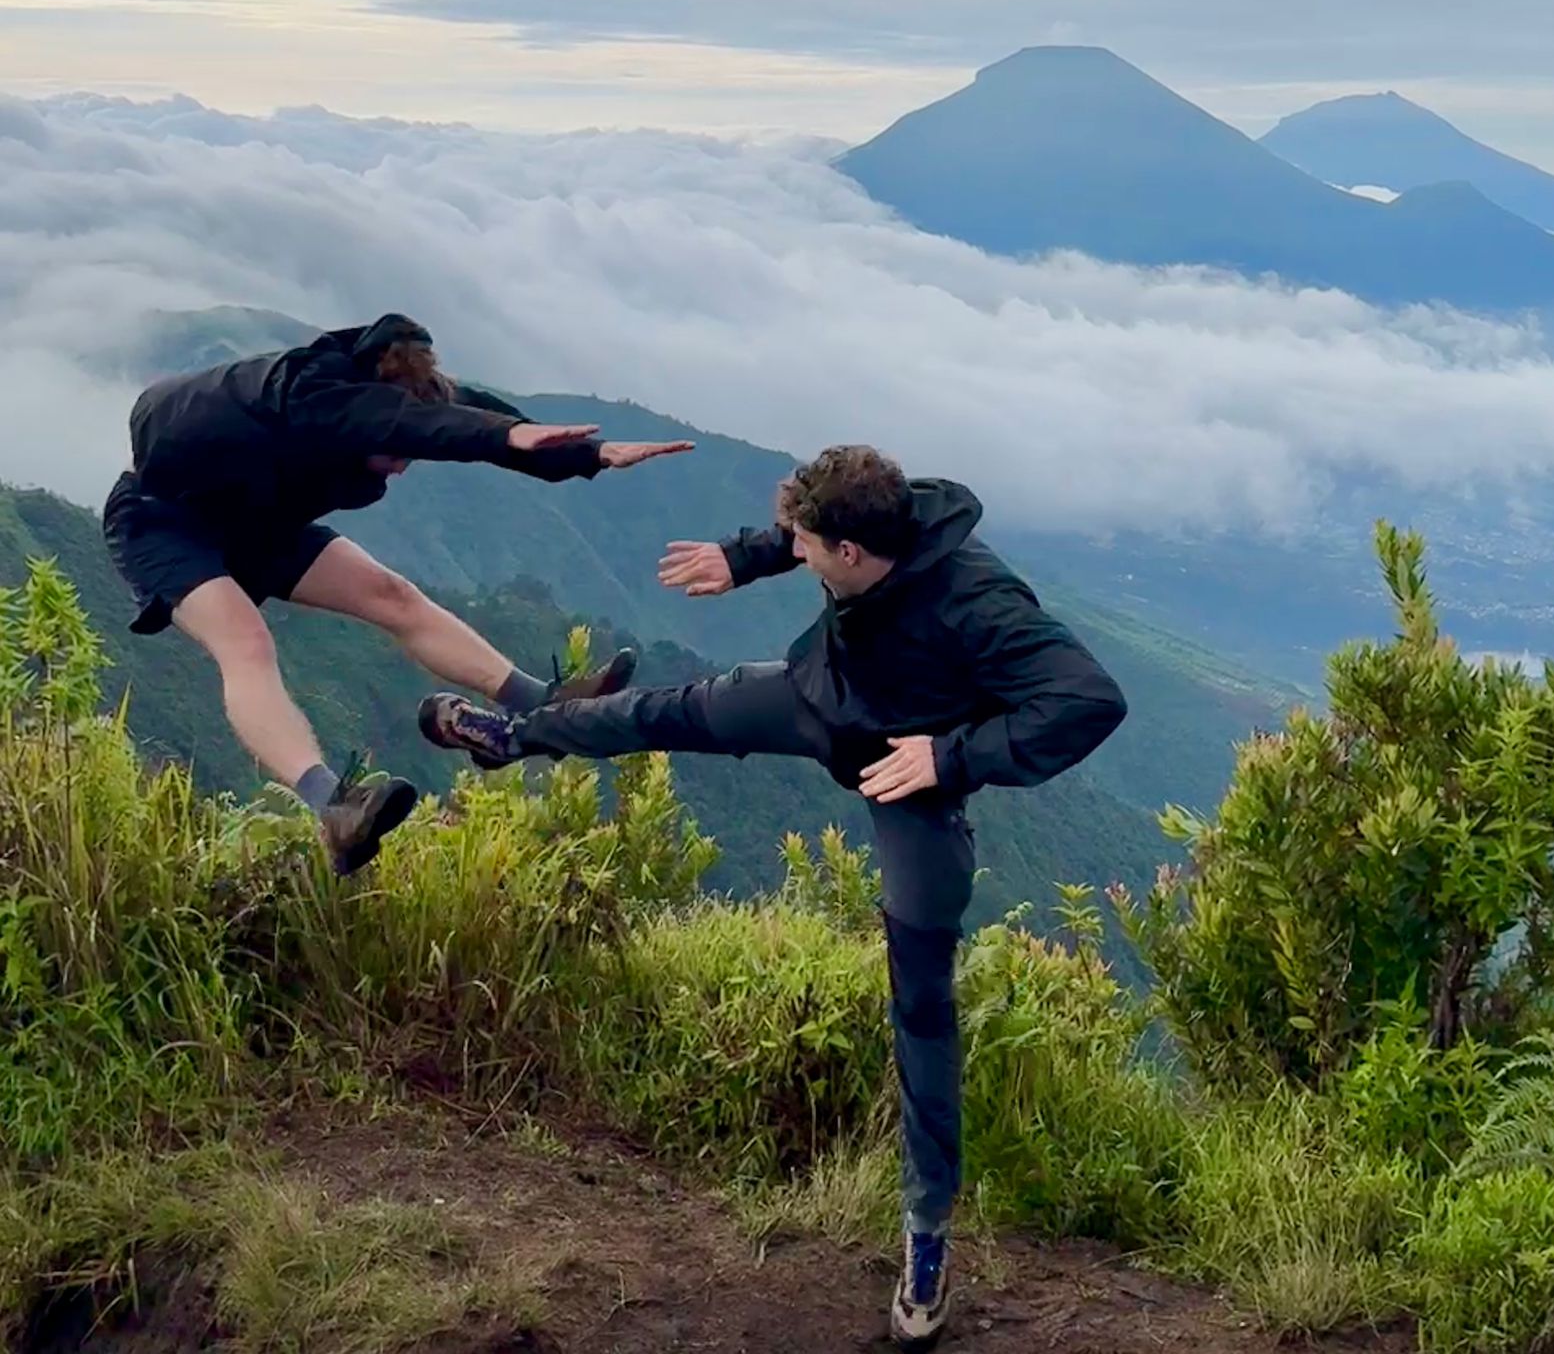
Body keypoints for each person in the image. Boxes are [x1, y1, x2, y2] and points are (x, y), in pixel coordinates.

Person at [419, 444, 1127, 1348]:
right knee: (661, 711)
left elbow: (1088, 700)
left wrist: (948, 758)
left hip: (905, 779)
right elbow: (800, 527)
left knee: (921, 1002)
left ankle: (926, 1237)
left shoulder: (979, 604)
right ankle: (511, 736)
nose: (795, 552)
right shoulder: (867, 517)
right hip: (814, 699)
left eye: (804, 546)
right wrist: (742, 554)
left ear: (854, 556)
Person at [103, 312, 693, 874]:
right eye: (397, 453)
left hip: (259, 520)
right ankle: (331, 804)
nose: (404, 468)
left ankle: (541, 703)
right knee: (246, 642)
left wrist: (587, 453)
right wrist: (505, 434)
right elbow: (416, 426)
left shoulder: (399, 397)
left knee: (393, 594)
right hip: (164, 522)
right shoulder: (313, 396)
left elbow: (462, 418)